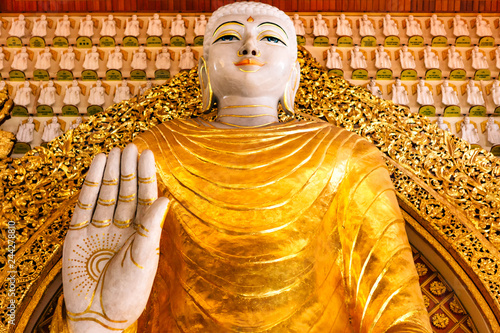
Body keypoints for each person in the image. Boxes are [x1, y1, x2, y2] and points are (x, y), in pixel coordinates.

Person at [54, 3, 431, 333]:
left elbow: (400, 316)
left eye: (271, 39)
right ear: (202, 72)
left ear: (294, 76)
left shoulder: (346, 155)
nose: (249, 46)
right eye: (229, 36)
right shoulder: (152, 153)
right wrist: (94, 326)